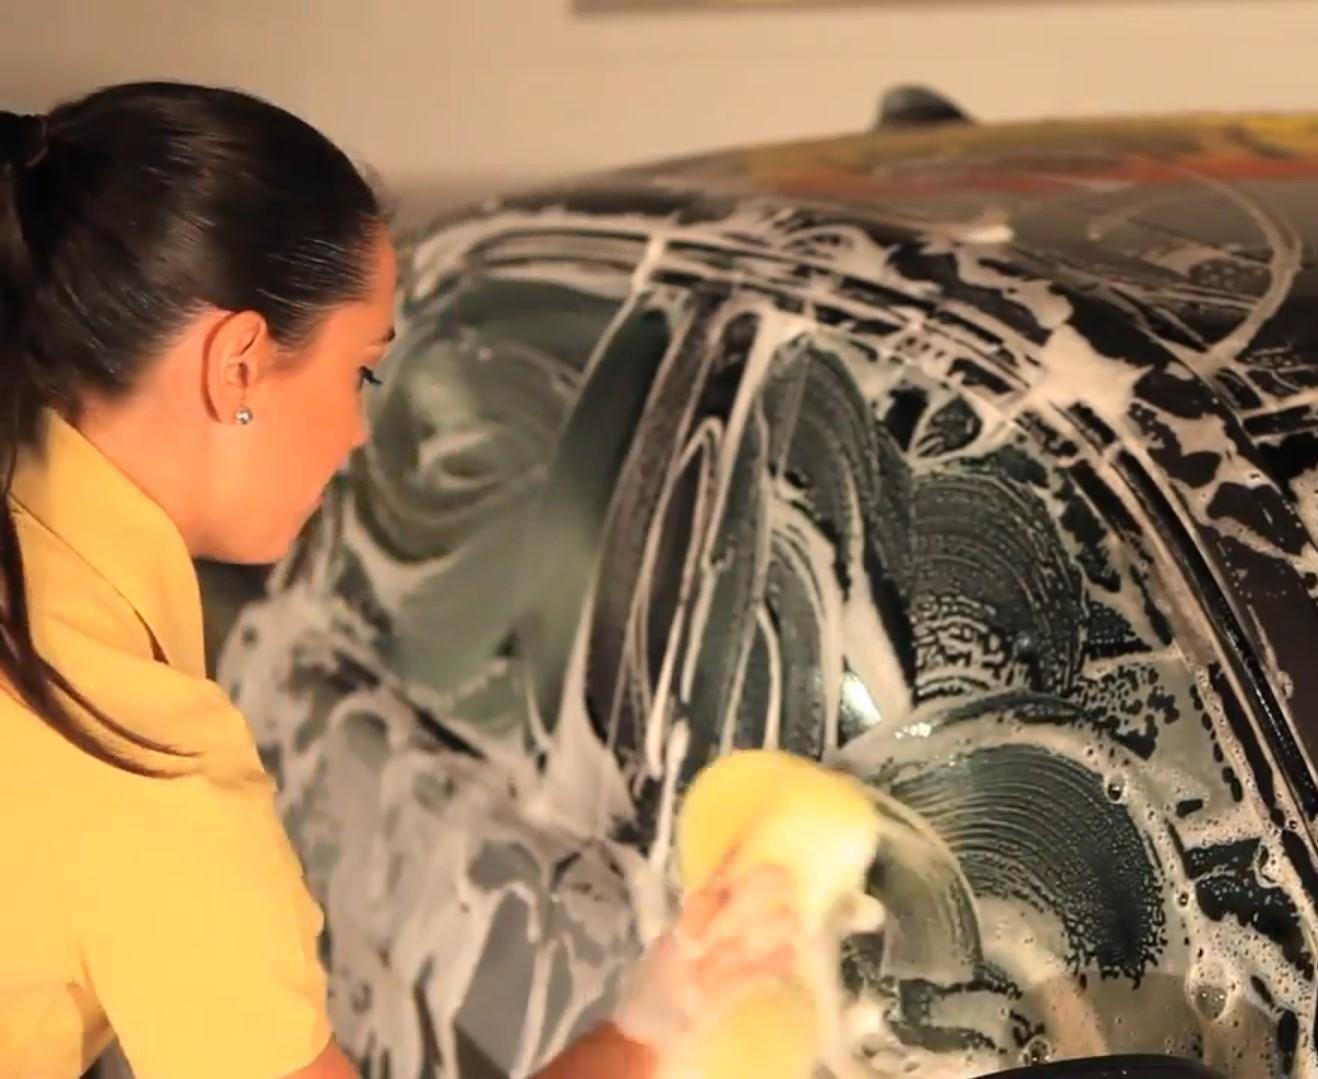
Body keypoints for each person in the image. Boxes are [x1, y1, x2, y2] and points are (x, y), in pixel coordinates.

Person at [0, 83, 796, 1078]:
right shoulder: (129, 751)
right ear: (237, 365)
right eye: (361, 373)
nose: (357, 432)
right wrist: (650, 1027)